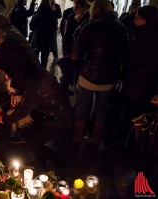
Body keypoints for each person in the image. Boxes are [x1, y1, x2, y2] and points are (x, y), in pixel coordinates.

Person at [0, 19, 73, 169]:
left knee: (34, 142)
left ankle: (48, 168)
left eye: (4, 69)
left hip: (58, 116)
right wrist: (1, 109)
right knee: (31, 139)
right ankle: (51, 163)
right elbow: (21, 98)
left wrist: (5, 119)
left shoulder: (32, 79)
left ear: (12, 66)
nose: (3, 72)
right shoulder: (25, 70)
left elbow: (25, 107)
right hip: (48, 111)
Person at [70, 0, 128, 149]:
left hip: (88, 75)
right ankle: (95, 140)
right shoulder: (120, 28)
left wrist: (79, 64)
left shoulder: (90, 27)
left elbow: (76, 54)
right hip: (109, 77)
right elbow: (124, 52)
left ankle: (77, 137)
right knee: (102, 108)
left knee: (83, 106)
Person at [119, 5, 158, 143]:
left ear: (146, 20)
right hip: (134, 85)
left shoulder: (152, 41)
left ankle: (127, 145)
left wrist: (129, 74)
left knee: (133, 117)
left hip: (139, 87)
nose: (134, 21)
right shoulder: (141, 35)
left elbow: (149, 67)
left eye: (137, 18)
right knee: (130, 115)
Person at [29, 0, 57, 68]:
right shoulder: (52, 15)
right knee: (44, 59)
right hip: (46, 40)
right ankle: (43, 74)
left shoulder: (37, 14)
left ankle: (35, 72)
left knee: (35, 58)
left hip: (37, 39)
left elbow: (31, 27)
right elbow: (54, 29)